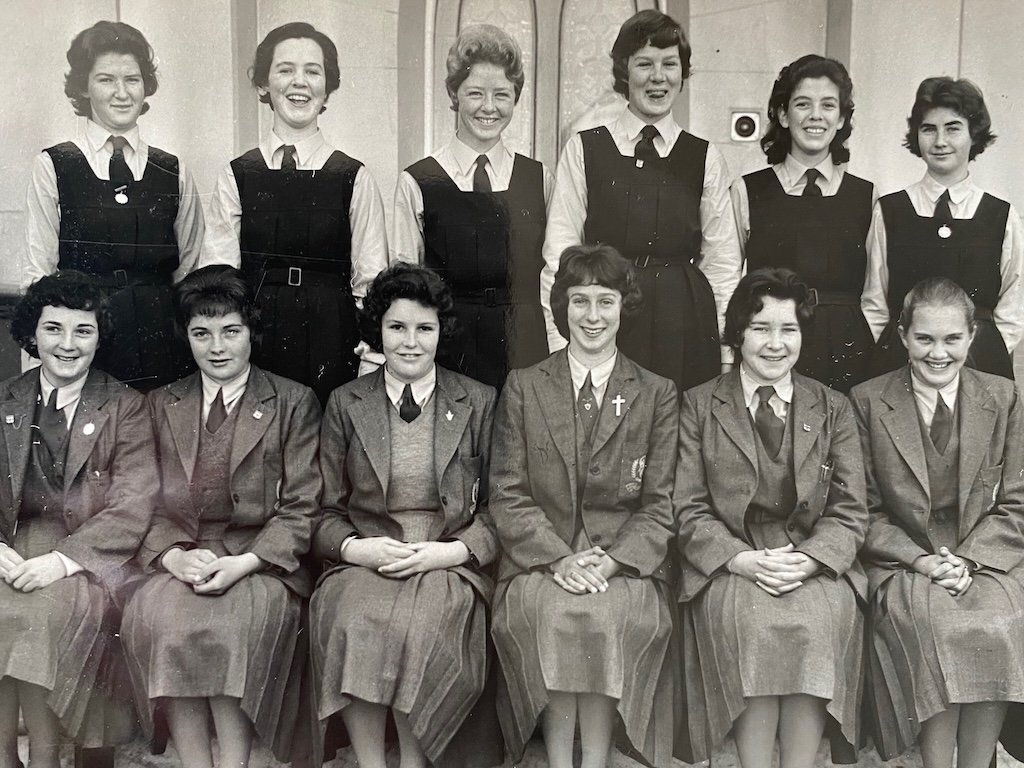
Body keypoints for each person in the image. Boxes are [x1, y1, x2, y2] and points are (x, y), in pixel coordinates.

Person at [121, 266, 322, 768]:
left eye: (230, 331)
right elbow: (141, 500)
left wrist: (245, 562)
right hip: (183, 555)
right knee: (167, 622)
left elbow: (302, 504)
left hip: (260, 562)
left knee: (231, 627)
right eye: (201, 333)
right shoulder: (161, 404)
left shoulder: (292, 402)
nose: (217, 347)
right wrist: (171, 558)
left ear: (251, 332)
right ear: (185, 337)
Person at [490, 245, 678, 768]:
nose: (592, 317)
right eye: (579, 301)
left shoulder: (656, 393)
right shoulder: (525, 386)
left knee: (602, 617)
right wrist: (558, 558)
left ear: (625, 307)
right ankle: (556, 759)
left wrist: (614, 560)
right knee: (553, 614)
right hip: (540, 559)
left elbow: (660, 503)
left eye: (605, 301)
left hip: (621, 562)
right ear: (561, 307)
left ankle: (593, 759)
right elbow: (507, 492)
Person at [311, 261, 501, 768]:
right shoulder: (346, 404)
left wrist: (451, 552)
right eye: (396, 328)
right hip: (368, 558)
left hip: (445, 561)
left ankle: (416, 762)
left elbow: (502, 508)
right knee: (354, 619)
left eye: (424, 328)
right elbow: (324, 510)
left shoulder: (478, 402)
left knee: (422, 628)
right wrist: (356, 548)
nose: (410, 342)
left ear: (442, 331)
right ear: (378, 332)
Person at [675, 268, 867, 768]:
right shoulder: (698, 406)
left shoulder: (834, 409)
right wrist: (739, 561)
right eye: (761, 328)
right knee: (752, 624)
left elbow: (850, 509)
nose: (775, 344)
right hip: (735, 559)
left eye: (789, 329)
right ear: (738, 333)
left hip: (810, 557)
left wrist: (811, 560)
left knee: (817, 621)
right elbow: (688, 506)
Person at [850, 277, 1024, 768]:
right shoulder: (866, 402)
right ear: (903, 335)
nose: (938, 353)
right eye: (924, 338)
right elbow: (862, 508)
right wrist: (922, 560)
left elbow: (1017, 501)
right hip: (905, 558)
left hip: (985, 556)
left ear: (972, 336)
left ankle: (976, 761)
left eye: (952, 339)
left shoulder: (1005, 399)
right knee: (937, 626)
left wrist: (969, 558)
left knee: (1001, 622)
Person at [0, 272, 158, 768]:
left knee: (33, 615)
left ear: (99, 336)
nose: (67, 346)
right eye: (53, 329)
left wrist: (62, 562)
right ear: (32, 334)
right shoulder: (4, 398)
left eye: (82, 331)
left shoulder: (126, 407)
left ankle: (44, 757)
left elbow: (133, 506)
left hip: (90, 557)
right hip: (11, 548)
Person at [541, 9, 741, 393]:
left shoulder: (705, 156)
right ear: (624, 71)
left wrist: (725, 347)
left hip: (683, 319)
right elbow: (559, 251)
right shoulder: (584, 148)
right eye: (644, 64)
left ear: (682, 73)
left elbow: (723, 263)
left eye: (670, 64)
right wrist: (560, 335)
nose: (658, 77)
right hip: (606, 311)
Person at [203, 21, 389, 405]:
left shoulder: (353, 176)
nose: (299, 82)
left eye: (312, 71)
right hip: (257, 335)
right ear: (263, 85)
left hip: (332, 334)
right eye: (285, 70)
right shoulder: (237, 174)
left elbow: (370, 281)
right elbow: (219, 278)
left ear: (327, 87)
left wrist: (370, 357)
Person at [25, 21, 203, 391]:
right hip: (89, 344)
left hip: (163, 344)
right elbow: (39, 272)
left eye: (132, 80)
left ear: (145, 86)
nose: (122, 93)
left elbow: (191, 269)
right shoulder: (54, 166)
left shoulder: (173, 169)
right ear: (84, 88)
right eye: (106, 79)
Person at [391, 24, 551, 390]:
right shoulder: (418, 181)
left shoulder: (540, 178)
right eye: (475, 93)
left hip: (524, 345)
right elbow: (406, 287)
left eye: (502, 95)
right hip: (450, 347)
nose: (489, 108)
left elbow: (551, 277)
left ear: (516, 97)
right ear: (454, 93)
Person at [861, 77, 1023, 380]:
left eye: (952, 128)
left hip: (981, 363)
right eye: (928, 129)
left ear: (974, 135)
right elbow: (875, 301)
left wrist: (983, 352)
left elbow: (1014, 306)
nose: (940, 141)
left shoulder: (1002, 214)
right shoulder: (890, 210)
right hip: (901, 363)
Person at [731, 54, 875, 392]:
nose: (815, 116)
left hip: (847, 350)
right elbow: (726, 276)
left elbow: (876, 293)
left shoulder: (866, 195)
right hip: (772, 346)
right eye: (802, 104)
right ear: (783, 114)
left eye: (828, 105)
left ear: (841, 119)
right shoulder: (747, 190)